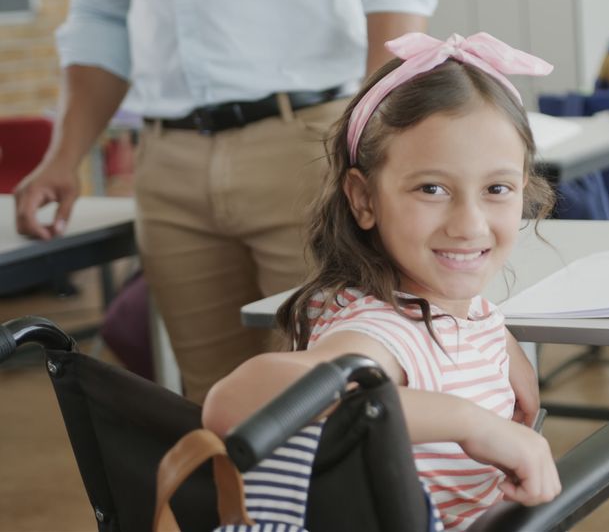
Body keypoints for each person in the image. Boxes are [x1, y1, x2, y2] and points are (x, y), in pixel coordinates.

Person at [13, 0, 441, 403]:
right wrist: (63, 158)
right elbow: (99, 14)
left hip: (308, 145)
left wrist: (368, 127)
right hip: (167, 160)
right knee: (213, 399)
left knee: (328, 392)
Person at [200, 32, 562, 532]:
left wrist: (495, 335)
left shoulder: (442, 304)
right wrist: (469, 422)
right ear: (364, 199)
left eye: (496, 189)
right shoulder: (379, 336)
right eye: (431, 188)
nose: (469, 224)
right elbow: (233, 402)